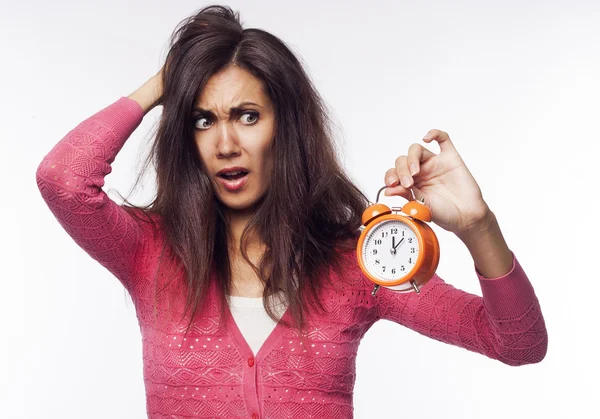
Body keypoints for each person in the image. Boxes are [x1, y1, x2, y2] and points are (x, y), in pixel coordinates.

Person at [35, 5, 547, 419]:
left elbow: (518, 343)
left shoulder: (356, 262)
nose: (226, 143)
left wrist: (479, 226)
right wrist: (164, 83)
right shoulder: (149, 251)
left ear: (288, 126)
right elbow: (63, 180)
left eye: (248, 116)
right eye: (203, 120)